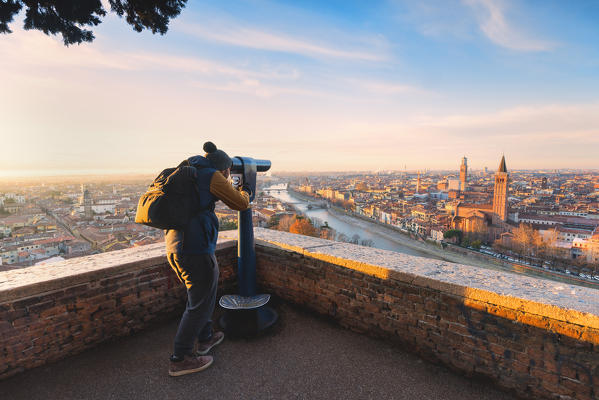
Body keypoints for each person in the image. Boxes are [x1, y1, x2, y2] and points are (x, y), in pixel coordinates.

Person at [165, 141, 250, 377]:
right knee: (199, 304)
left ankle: (205, 337)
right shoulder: (212, 176)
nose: (227, 176)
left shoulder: (191, 173)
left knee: (199, 298)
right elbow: (241, 204)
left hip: (175, 245)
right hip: (195, 248)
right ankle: (180, 358)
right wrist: (244, 191)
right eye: (228, 173)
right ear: (224, 170)